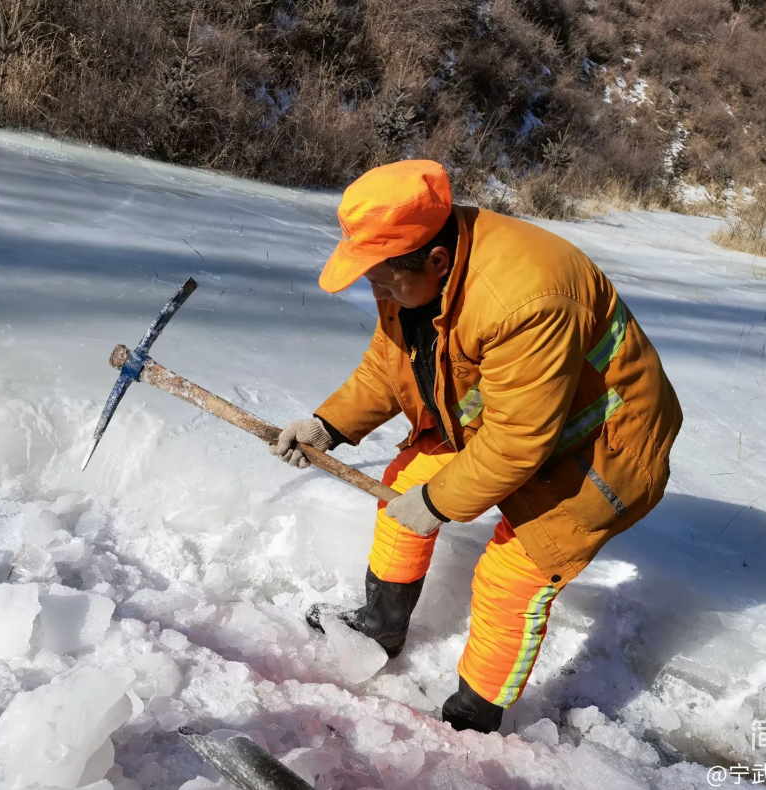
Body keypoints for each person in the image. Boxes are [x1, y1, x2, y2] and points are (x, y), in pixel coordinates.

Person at [270, 160, 681, 734]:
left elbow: (518, 441)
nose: (377, 292)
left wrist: (439, 502)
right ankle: (380, 626)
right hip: (511, 419)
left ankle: (472, 717)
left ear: (437, 261)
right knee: (401, 489)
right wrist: (326, 426)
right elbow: (391, 367)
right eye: (372, 280)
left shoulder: (526, 298)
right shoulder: (405, 269)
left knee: (511, 575)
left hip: (603, 445)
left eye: (385, 283)